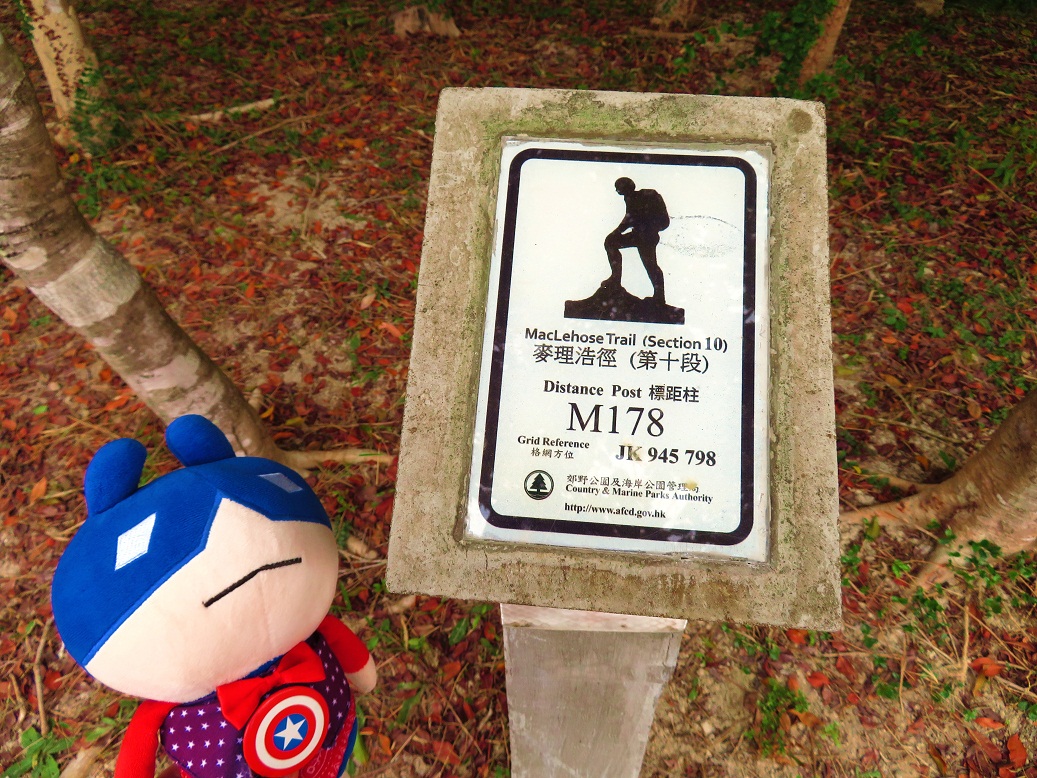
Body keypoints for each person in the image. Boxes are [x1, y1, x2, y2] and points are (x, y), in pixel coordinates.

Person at [603, 177, 670, 303]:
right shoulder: (632, 197)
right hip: (640, 235)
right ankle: (615, 278)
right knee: (611, 243)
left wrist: (616, 232)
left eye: (618, 188)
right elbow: (630, 218)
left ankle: (659, 296)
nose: (617, 191)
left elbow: (630, 219)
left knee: (650, 265)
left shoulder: (636, 198)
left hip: (646, 237)